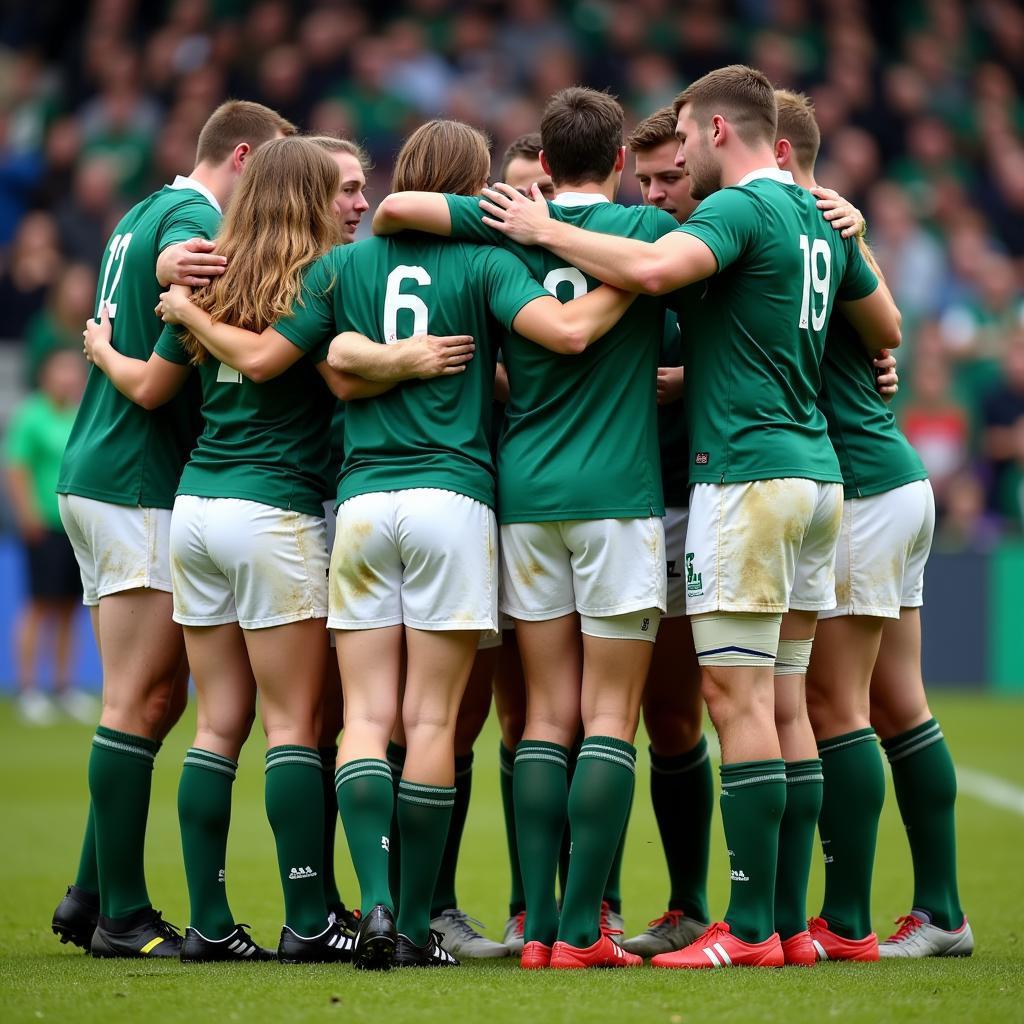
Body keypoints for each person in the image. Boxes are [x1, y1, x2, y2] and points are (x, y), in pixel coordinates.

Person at [160, 117, 634, 970]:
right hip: (454, 499)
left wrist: (378, 356)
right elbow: (557, 336)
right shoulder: (488, 261)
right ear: (472, 184)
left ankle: (371, 905)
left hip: (361, 504)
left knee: (362, 721)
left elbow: (318, 359)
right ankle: (417, 925)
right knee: (430, 721)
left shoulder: (341, 266)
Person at [478, 66, 901, 970]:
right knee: (787, 701)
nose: (667, 184)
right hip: (816, 476)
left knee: (733, 699)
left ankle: (743, 931)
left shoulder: (741, 211)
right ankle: (794, 923)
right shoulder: (817, 216)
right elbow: (887, 325)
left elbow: (655, 266)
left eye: (680, 162)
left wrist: (541, 222)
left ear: (716, 130)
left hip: (743, 480)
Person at [374, 88, 682, 971]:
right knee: (609, 718)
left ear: (542, 163)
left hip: (524, 497)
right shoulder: (651, 236)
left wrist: (521, 218)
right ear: (621, 161)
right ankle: (588, 929)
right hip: (620, 497)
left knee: (541, 718)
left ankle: (536, 927)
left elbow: (395, 205)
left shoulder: (504, 225)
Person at [51, 99, 295, 959]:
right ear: (241, 156)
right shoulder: (195, 217)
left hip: (107, 474)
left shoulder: (142, 210)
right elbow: (158, 384)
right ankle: (120, 914)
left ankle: (89, 892)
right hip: (138, 480)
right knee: (141, 698)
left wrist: (105, 344)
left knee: (155, 701)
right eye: (269, 171)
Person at [773, 90, 973, 961]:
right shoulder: (831, 230)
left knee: (832, 703)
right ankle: (943, 912)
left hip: (857, 485)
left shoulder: (791, 230)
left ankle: (845, 919)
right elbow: (884, 330)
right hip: (889, 478)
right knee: (898, 703)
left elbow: (883, 332)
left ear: (770, 150)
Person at [615, 106, 712, 958]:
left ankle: (690, 904)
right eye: (642, 179)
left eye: (669, 177)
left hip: (690, 500)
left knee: (674, 715)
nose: (655, 194)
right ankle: (590, 911)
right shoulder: (610, 248)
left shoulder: (725, 246)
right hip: (603, 506)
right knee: (582, 715)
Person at [5, 349, 90, 726]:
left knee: (71, 608)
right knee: (39, 605)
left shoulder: (81, 414)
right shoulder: (32, 415)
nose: (70, 379)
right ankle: (27, 689)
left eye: (75, 372)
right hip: (44, 527)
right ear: (46, 375)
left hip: (78, 528)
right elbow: (17, 468)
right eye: (63, 371)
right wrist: (27, 516)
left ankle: (62, 686)